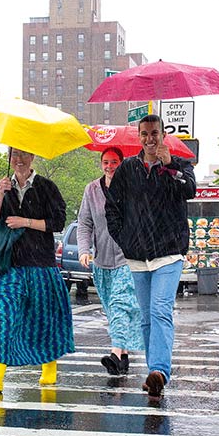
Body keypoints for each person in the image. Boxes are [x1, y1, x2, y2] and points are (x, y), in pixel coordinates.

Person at [105, 114, 196, 399]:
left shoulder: (178, 165)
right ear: (139, 136)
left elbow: (189, 190)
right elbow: (112, 208)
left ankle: (159, 370)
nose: (149, 138)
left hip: (169, 254)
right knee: (145, 318)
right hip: (137, 257)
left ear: (163, 134)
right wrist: (125, 239)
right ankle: (152, 374)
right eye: (144, 134)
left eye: (154, 133)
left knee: (160, 310)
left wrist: (169, 166)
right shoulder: (128, 169)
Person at [0, 147, 74, 393]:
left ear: (32, 157)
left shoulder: (46, 187)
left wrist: (25, 222)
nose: (18, 160)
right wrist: (0, 194)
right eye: (14, 156)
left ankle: (49, 367)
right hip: (8, 266)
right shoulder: (4, 187)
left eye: (23, 155)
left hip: (41, 264)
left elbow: (57, 222)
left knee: (43, 318)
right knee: (5, 315)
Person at [77, 147, 144, 375]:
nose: (110, 166)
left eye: (114, 162)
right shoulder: (92, 190)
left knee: (119, 304)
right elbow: (85, 223)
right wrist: (84, 250)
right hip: (102, 261)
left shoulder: (132, 187)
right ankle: (123, 357)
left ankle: (115, 353)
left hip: (128, 259)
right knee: (112, 308)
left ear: (122, 163)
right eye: (106, 162)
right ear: (101, 164)